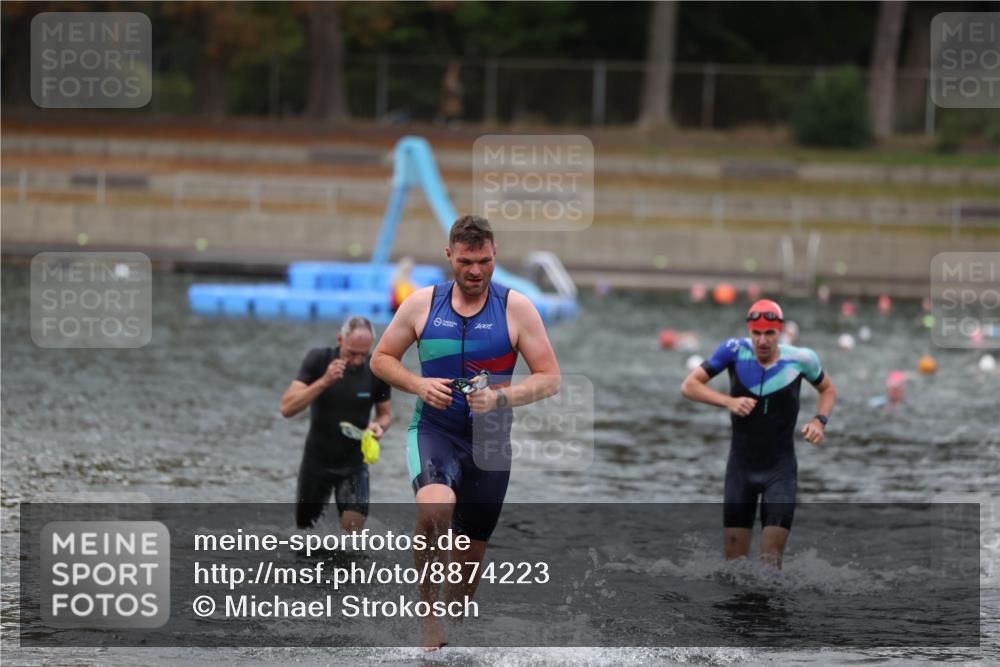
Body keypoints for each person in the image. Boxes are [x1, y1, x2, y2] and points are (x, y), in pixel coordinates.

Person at [371, 215, 560, 649]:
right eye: (467, 261)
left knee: (470, 560)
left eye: (485, 261)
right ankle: (426, 616)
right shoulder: (422, 304)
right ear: (450, 257)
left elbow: (550, 377)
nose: (476, 271)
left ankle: (450, 633)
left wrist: (501, 398)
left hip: (490, 441)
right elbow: (381, 359)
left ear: (495, 256)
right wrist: (418, 384)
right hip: (434, 429)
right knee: (436, 507)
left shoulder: (516, 308)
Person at [680, 299, 836, 568]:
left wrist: (819, 421)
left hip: (780, 470)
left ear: (781, 331)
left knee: (771, 563)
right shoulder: (732, 351)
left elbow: (828, 390)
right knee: (734, 567)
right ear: (749, 331)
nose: (762, 340)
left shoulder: (801, 359)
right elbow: (689, 386)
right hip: (740, 470)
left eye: (769, 334)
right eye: (756, 333)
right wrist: (729, 402)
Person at [280, 316, 392, 533]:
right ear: (340, 339)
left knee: (353, 535)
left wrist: (379, 426)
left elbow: (385, 414)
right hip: (316, 462)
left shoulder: (376, 368)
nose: (358, 361)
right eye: (352, 353)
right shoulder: (319, 360)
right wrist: (324, 381)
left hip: (353, 463)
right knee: (304, 534)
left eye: (363, 353)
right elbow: (287, 408)